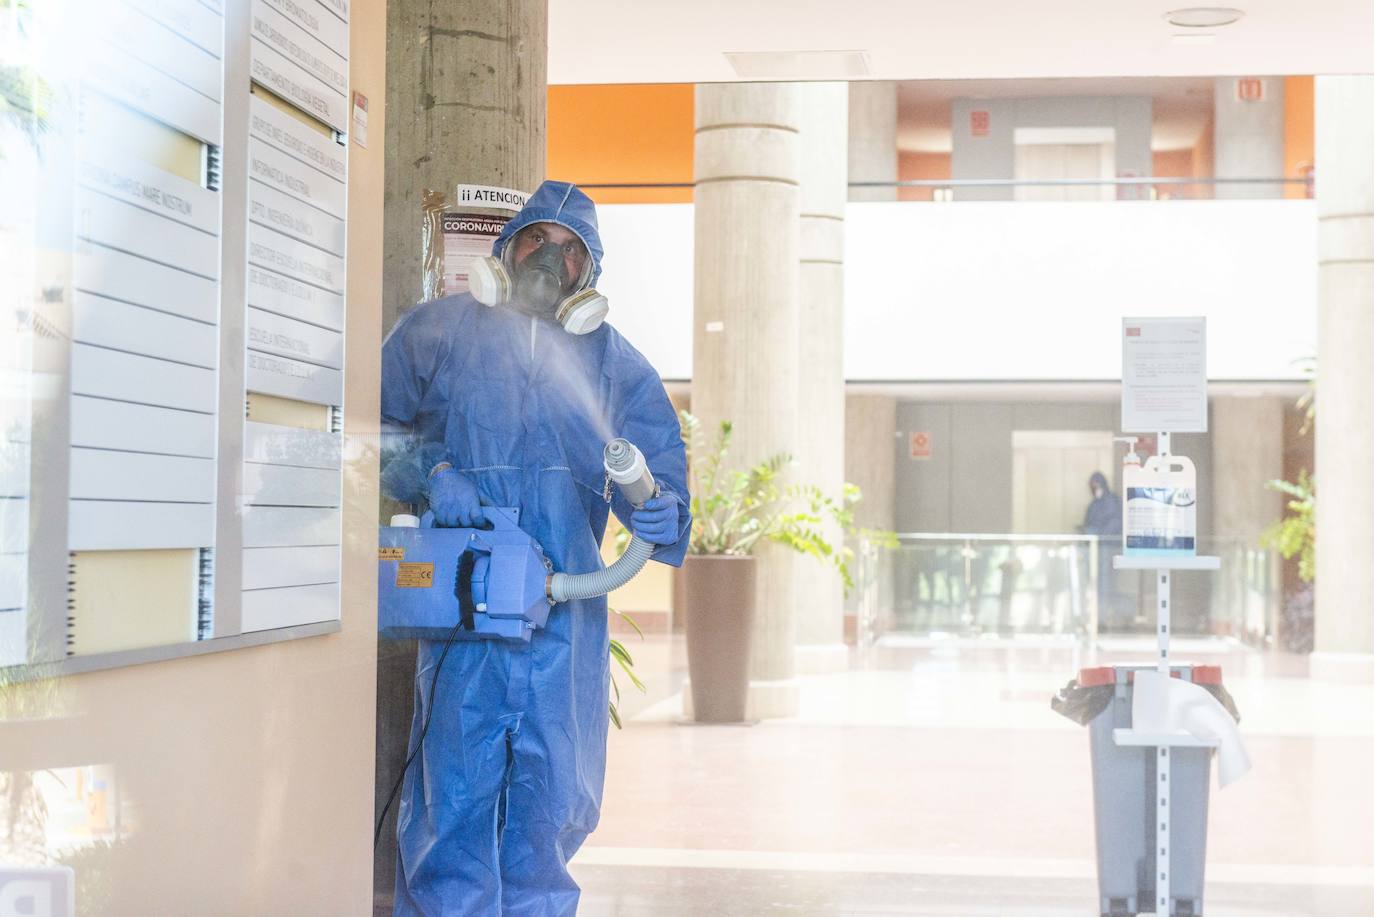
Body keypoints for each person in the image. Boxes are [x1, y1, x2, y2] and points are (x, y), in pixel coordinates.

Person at [379, 181, 691, 915]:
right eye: (537, 241)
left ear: (589, 279)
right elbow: (370, 426)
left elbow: (661, 474)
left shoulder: (612, 361)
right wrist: (435, 472)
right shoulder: (441, 331)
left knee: (552, 805)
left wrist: (660, 509)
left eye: (571, 253)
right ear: (506, 247)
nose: (550, 260)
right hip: (466, 611)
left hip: (564, 620)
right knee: (450, 799)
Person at [1081, 471, 1123, 630]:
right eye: (1093, 487)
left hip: (1107, 550)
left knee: (1105, 586)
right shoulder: (1094, 504)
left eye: (1097, 486)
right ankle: (1093, 618)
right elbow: (1088, 522)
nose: (1095, 489)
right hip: (1093, 552)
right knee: (1093, 585)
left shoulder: (1112, 502)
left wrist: (1099, 535)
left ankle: (1102, 619)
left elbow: (1115, 524)